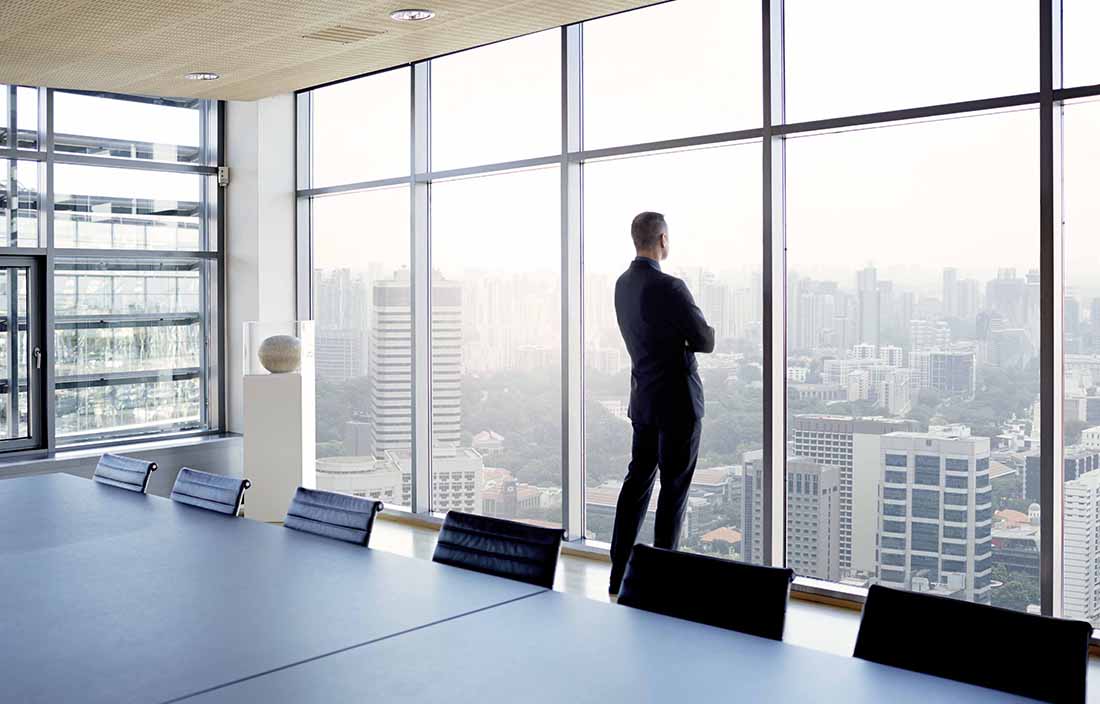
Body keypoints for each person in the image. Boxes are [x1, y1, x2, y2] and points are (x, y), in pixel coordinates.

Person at [608, 211, 715, 595]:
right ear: (663, 241)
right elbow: (704, 339)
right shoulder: (671, 287)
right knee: (674, 490)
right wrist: (685, 340)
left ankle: (619, 573)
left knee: (637, 482)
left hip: (644, 399)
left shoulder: (622, 284)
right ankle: (660, 582)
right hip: (679, 404)